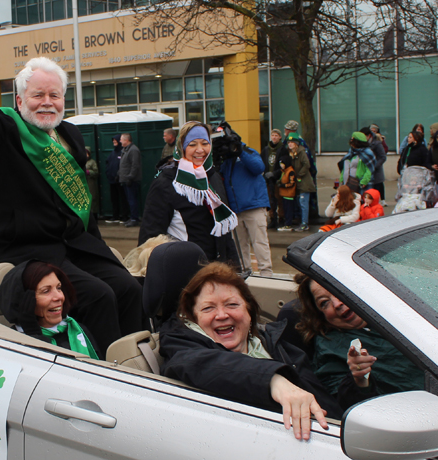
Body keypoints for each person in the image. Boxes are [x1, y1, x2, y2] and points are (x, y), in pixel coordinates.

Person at [0, 19, 143, 355]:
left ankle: (136, 363)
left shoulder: (68, 135)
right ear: (20, 98)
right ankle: (106, 374)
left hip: (72, 246)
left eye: (54, 95)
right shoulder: (2, 129)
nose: (47, 102)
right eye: (37, 94)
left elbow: (80, 205)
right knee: (99, 295)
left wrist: (99, 249)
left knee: (127, 287)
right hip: (22, 252)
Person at [160, 262, 343, 441]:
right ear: (195, 318)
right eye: (208, 308)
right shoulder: (181, 345)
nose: (222, 315)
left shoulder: (274, 342)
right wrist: (274, 379)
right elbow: (196, 362)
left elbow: (328, 408)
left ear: (249, 310)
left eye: (232, 304)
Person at [295, 273, 425, 411]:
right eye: (324, 302)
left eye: (337, 290)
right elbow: (348, 407)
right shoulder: (329, 349)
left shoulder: (402, 309)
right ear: (321, 315)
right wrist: (359, 380)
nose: (337, 304)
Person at [139, 121, 239, 266]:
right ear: (181, 147)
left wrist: (234, 268)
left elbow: (224, 232)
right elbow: (150, 236)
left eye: (205, 143)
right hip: (183, 271)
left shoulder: (212, 176)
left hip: (215, 270)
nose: (200, 150)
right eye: (192, 144)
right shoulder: (166, 182)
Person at [0, 260, 101, 359]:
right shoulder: (10, 345)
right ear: (23, 300)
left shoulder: (78, 329)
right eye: (46, 291)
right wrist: (34, 335)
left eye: (59, 288)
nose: (59, 297)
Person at [219, 124, 273, 277]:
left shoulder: (247, 152)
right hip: (236, 210)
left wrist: (240, 151)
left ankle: (266, 274)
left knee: (260, 242)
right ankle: (244, 273)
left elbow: (259, 167)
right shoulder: (227, 161)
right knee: (239, 246)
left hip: (254, 206)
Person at [283, 120, 318, 221]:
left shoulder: (299, 143)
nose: (285, 130)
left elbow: (307, 163)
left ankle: (303, 221)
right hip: (293, 174)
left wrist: (298, 175)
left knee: (303, 200)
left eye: (287, 129)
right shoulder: (290, 140)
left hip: (300, 177)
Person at [286, 133, 316, 232]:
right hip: (299, 183)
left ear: (296, 144)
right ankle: (302, 222)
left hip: (304, 183)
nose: (290, 144)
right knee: (300, 203)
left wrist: (299, 175)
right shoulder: (293, 153)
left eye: (292, 142)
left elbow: (306, 164)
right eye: (289, 142)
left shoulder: (301, 152)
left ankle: (304, 223)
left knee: (303, 203)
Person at [261, 128, 287, 228]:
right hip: (268, 179)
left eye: (276, 135)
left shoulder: (283, 149)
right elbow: (261, 163)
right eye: (273, 135)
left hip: (279, 179)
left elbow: (285, 163)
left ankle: (281, 218)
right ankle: (272, 218)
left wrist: (275, 173)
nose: (274, 137)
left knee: (279, 199)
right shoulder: (266, 150)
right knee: (270, 200)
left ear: (280, 137)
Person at [119, 133, 142, 227]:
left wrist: (130, 177)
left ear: (126, 140)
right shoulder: (125, 150)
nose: (120, 141)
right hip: (125, 179)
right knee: (129, 199)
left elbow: (135, 165)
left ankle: (134, 218)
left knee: (132, 200)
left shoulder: (133, 150)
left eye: (121, 139)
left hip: (131, 180)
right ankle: (132, 217)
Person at [360, 127, 387, 207]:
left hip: (376, 173)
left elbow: (383, 157)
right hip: (366, 174)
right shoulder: (363, 144)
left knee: (374, 196)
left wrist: (374, 166)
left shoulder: (377, 143)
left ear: (369, 136)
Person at [105, 134, 129, 223]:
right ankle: (115, 216)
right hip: (112, 180)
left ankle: (125, 216)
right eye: (113, 141)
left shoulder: (122, 152)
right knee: (114, 199)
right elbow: (108, 163)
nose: (114, 142)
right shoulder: (113, 153)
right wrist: (108, 173)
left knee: (123, 199)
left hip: (120, 180)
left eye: (115, 140)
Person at [276, 155, 296, 232]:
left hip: (289, 195)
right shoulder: (283, 172)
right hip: (284, 194)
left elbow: (292, 183)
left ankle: (288, 224)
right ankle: (286, 223)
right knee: (285, 209)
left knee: (288, 210)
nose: (281, 165)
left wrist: (282, 185)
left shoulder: (290, 171)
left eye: (282, 163)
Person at [85, 147, 100, 222]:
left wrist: (88, 172)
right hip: (84, 183)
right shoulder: (81, 161)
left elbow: (96, 172)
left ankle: (94, 217)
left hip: (91, 183)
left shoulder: (92, 162)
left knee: (93, 199)